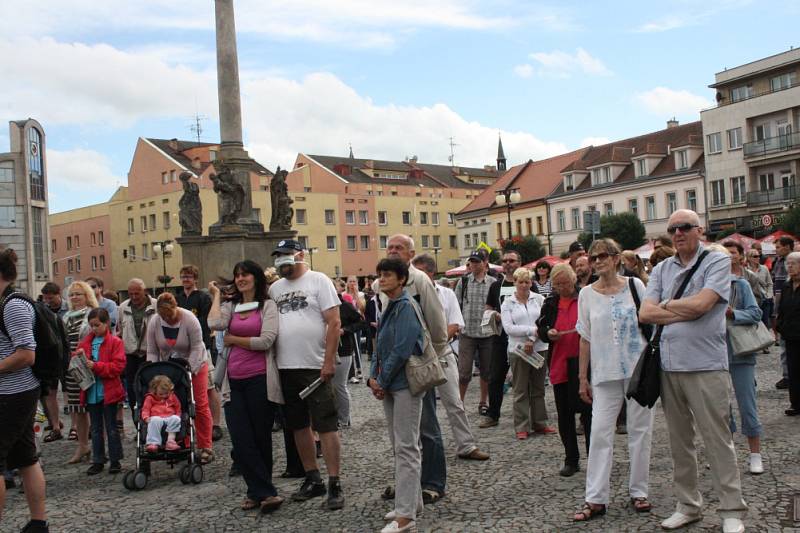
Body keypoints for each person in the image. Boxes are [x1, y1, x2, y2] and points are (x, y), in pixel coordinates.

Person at [640, 209, 747, 533]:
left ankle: (732, 510)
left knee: (718, 440)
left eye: (684, 227)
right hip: (669, 365)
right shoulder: (661, 268)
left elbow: (704, 306)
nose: (678, 233)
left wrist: (668, 306)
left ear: (699, 230)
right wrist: (684, 308)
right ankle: (688, 505)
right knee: (679, 442)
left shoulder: (716, 261)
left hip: (705, 364)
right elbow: (645, 313)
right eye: (673, 228)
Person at [572, 239, 653, 522]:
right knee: (600, 434)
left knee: (640, 431)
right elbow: (585, 337)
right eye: (592, 258)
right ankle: (595, 498)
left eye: (602, 256)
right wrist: (583, 378)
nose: (596, 262)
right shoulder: (586, 294)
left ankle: (639, 491)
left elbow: (650, 322)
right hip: (604, 373)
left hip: (638, 370)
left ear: (616, 258)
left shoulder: (636, 287)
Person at [268, 239, 344, 510]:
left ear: (300, 255)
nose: (281, 261)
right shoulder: (275, 288)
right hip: (285, 367)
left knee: (325, 424)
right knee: (298, 425)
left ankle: (334, 482)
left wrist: (328, 361)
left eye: (286, 255)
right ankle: (313, 478)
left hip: (314, 365)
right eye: (277, 256)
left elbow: (334, 322)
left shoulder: (318, 280)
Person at [207, 260, 285, 512]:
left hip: (260, 378)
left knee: (260, 436)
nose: (241, 278)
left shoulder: (268, 305)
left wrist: (233, 339)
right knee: (241, 439)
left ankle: (257, 491)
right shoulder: (232, 305)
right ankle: (264, 491)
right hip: (233, 382)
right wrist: (218, 296)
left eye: (246, 274)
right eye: (237, 275)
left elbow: (266, 340)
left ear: (256, 278)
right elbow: (214, 324)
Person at [411, 253, 489, 460]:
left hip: (441, 353)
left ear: (429, 272)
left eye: (417, 272)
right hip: (418, 358)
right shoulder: (408, 295)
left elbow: (456, 323)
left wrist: (435, 341)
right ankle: (419, 448)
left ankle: (466, 445)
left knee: (454, 401)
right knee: (419, 407)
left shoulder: (446, 293)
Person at [368, 258, 425, 533]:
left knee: (406, 448)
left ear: (402, 279)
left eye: (388, 274)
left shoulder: (406, 307)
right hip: (392, 384)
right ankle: (412, 504)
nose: (382, 278)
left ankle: (406, 517)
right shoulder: (389, 306)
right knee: (401, 445)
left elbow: (402, 349)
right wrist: (373, 376)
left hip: (405, 385)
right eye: (380, 274)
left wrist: (380, 379)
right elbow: (380, 344)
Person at [0, 249, 49, 532]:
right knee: (26, 458)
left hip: (13, 393)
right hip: (14, 392)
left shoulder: (13, 305)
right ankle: (38, 523)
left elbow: (26, 354)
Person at [536, 263, 591, 477]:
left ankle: (594, 457)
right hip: (560, 363)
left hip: (585, 362)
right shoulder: (550, 302)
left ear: (574, 280)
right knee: (565, 414)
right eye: (557, 285)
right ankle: (571, 459)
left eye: (565, 283)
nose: (562, 288)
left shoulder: (585, 297)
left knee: (589, 413)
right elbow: (540, 327)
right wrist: (548, 332)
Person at [146, 292, 214, 464]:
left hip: (195, 363)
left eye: (170, 316)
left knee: (198, 403)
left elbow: (198, 346)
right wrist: (153, 371)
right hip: (170, 366)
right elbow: (153, 350)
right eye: (164, 317)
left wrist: (189, 368)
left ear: (175, 308)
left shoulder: (189, 319)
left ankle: (205, 445)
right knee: (176, 404)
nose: (167, 320)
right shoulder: (155, 321)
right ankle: (180, 441)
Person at [721, 241, 765, 474]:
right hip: (715, 354)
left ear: (740, 257)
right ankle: (726, 454)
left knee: (747, 405)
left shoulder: (741, 284)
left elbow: (756, 313)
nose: (727, 258)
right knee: (720, 409)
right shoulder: (707, 285)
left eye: (731, 254)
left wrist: (733, 313)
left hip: (741, 352)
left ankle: (755, 454)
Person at [501, 268, 553, 440]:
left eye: (527, 282)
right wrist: (532, 331)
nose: (524, 285)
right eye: (520, 282)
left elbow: (545, 322)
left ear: (531, 283)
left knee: (538, 388)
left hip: (539, 348)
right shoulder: (507, 303)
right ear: (514, 282)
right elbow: (509, 328)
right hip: (518, 350)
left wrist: (532, 339)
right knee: (521, 389)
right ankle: (522, 426)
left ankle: (540, 422)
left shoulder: (539, 299)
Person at [176, 265, 224, 442]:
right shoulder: (178, 298)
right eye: (183, 277)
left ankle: (216, 424)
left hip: (202, 346)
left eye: (188, 277)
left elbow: (206, 323)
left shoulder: (203, 298)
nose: (185, 280)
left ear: (195, 279)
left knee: (209, 387)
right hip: (182, 349)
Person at [76, 307, 125, 475]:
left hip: (108, 392)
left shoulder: (115, 342)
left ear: (106, 324)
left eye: (97, 325)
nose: (94, 328)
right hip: (91, 392)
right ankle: (98, 460)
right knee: (95, 428)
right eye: (92, 326)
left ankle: (115, 459)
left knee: (111, 427)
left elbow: (118, 367)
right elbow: (77, 364)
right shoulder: (85, 344)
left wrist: (96, 366)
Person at [481, 250, 521, 428]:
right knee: (495, 376)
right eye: (504, 261)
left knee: (523, 378)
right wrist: (492, 314)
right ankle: (493, 415)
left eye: (511, 260)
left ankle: (527, 416)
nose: (507, 264)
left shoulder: (528, 283)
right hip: (500, 337)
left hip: (521, 337)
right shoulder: (496, 285)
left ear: (519, 263)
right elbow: (488, 306)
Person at [454, 250, 494, 412]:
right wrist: (456, 326)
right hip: (467, 333)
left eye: (477, 261)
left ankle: (483, 402)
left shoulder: (493, 282)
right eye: (472, 261)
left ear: (485, 263)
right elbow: (455, 306)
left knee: (486, 371)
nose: (474, 264)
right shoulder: (463, 282)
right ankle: (459, 403)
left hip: (488, 334)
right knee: (464, 372)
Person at [64, 281, 97, 464]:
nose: (75, 297)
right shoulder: (66, 316)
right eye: (72, 295)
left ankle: (100, 445)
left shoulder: (91, 314)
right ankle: (83, 445)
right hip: (72, 366)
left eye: (78, 294)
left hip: (88, 364)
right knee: (77, 408)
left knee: (95, 405)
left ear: (87, 296)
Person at [117, 279, 157, 419]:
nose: (134, 297)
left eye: (137, 294)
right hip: (131, 355)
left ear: (144, 292)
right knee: (132, 391)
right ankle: (138, 424)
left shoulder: (156, 305)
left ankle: (153, 422)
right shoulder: (123, 307)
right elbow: (120, 330)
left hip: (150, 354)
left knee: (151, 389)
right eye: (131, 294)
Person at [39, 283, 68, 443]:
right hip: (50, 356)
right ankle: (55, 426)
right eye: (46, 298)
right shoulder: (43, 310)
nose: (49, 301)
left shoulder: (68, 309)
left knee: (68, 391)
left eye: (51, 298)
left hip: (66, 354)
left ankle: (75, 427)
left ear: (59, 295)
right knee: (51, 392)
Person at [776, 251, 800, 417]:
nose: (789, 266)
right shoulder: (786, 286)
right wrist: (780, 326)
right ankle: (795, 404)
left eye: (793, 263)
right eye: (788, 264)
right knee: (793, 370)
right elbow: (782, 309)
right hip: (790, 335)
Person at [772, 236, 794, 390]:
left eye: (779, 247)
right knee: (784, 344)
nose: (776, 249)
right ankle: (787, 375)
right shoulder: (777, 262)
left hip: (791, 304)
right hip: (781, 303)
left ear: (787, 247)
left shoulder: (792, 260)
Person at [141, 375, 182, 453]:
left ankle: (171, 441)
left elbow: (178, 407)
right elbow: (145, 409)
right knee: (153, 421)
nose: (164, 396)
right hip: (156, 416)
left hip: (170, 416)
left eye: (166, 393)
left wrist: (178, 415)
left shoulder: (172, 396)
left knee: (176, 419)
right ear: (154, 391)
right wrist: (146, 417)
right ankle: (153, 443)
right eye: (161, 394)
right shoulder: (150, 398)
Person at [746, 247, 773, 330]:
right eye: (755, 256)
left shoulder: (764, 268)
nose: (758, 258)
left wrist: (769, 295)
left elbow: (769, 283)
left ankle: (766, 341)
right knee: (754, 323)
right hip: (752, 300)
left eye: (759, 256)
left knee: (765, 323)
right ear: (749, 258)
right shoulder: (745, 270)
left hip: (765, 299)